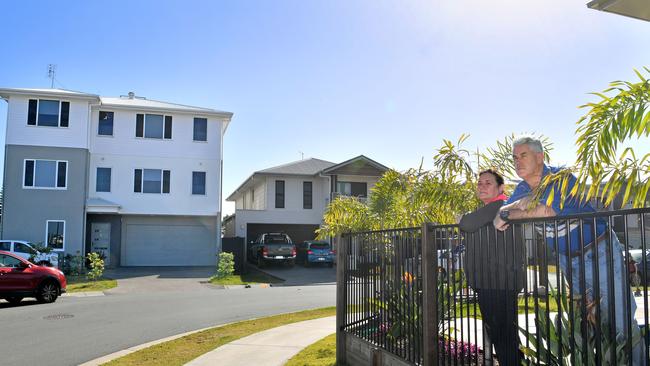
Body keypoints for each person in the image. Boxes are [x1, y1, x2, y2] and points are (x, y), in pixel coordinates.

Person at [493, 135, 644, 364]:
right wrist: (515, 207)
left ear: (540, 157)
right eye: (514, 157)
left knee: (621, 321)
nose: (517, 161)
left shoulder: (561, 178)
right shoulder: (523, 187)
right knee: (589, 323)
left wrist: (519, 209)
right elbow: (500, 218)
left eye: (523, 155)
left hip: (599, 251)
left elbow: (546, 212)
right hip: (568, 260)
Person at [459, 169, 525, 366]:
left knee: (502, 334)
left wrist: (463, 219)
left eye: (488, 183)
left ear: (500, 187)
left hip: (497, 282)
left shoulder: (500, 205)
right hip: (493, 282)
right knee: (504, 333)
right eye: (480, 183)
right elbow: (471, 231)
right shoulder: (489, 211)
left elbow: (468, 224)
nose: (482, 187)